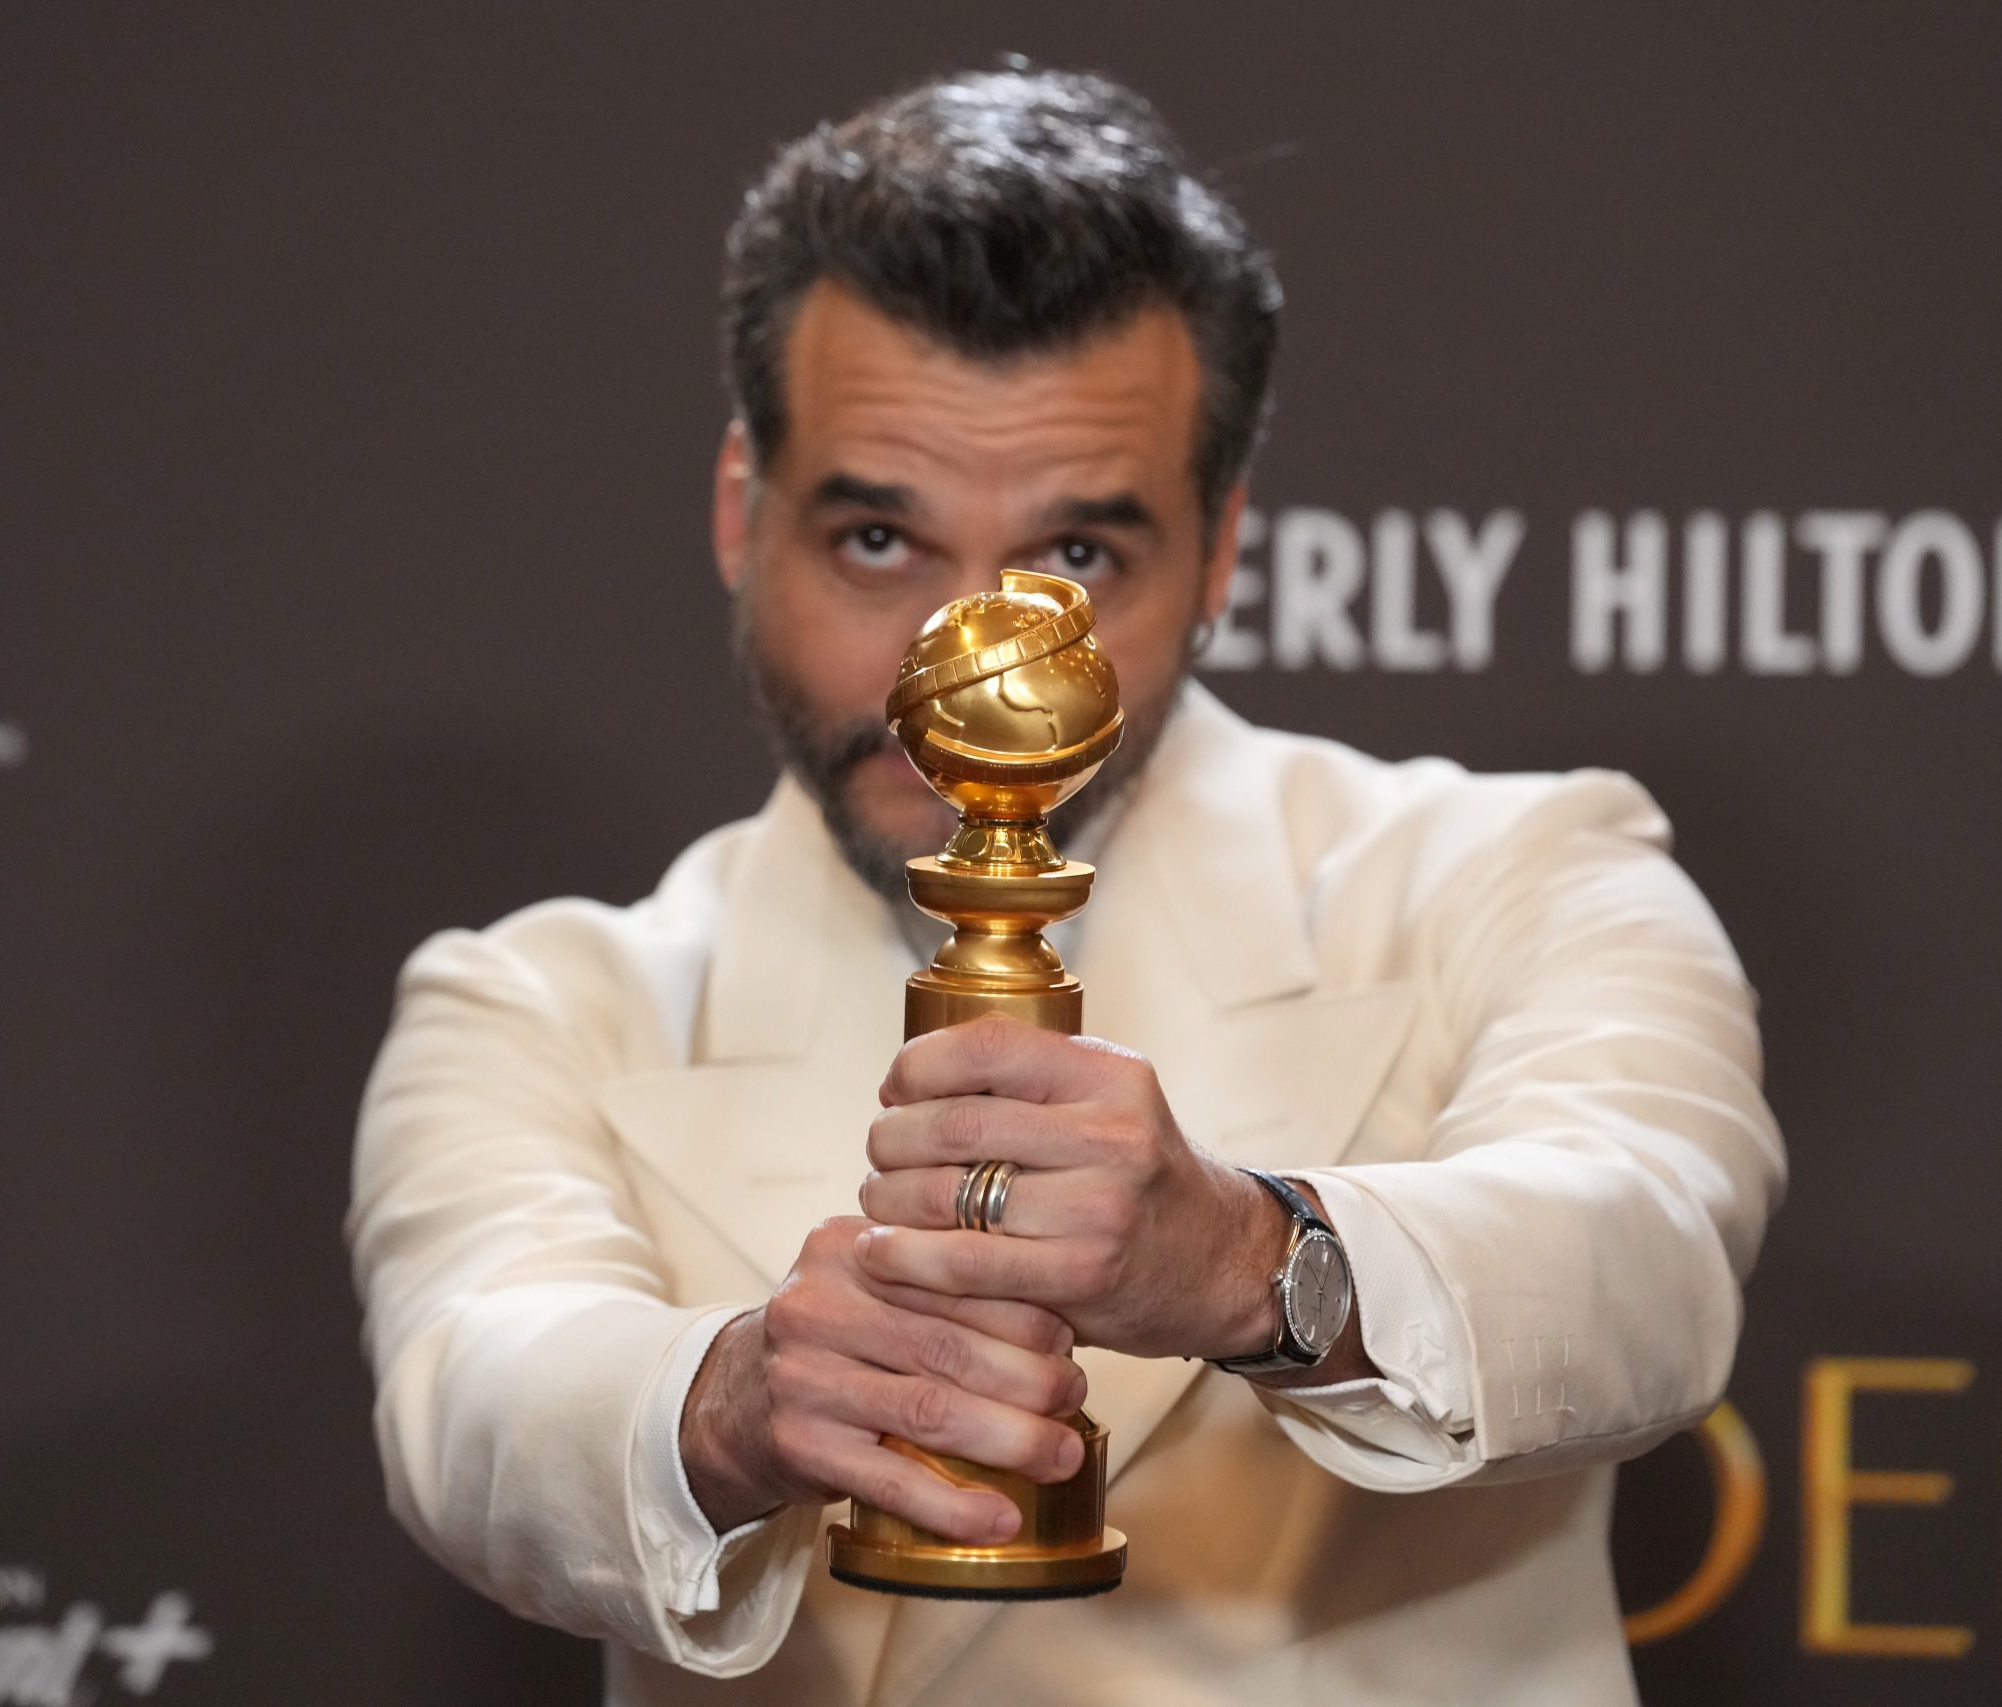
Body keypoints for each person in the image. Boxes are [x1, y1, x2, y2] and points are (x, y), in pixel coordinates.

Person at [347, 64, 1784, 1707]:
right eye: (878, 542)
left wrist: (1251, 1260)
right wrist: (733, 1403)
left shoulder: (1520, 873)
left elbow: (1648, 1258)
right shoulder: (536, 1005)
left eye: (1076, 559)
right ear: (744, 516)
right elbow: (478, 1396)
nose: (969, 664)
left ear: (1222, 550)